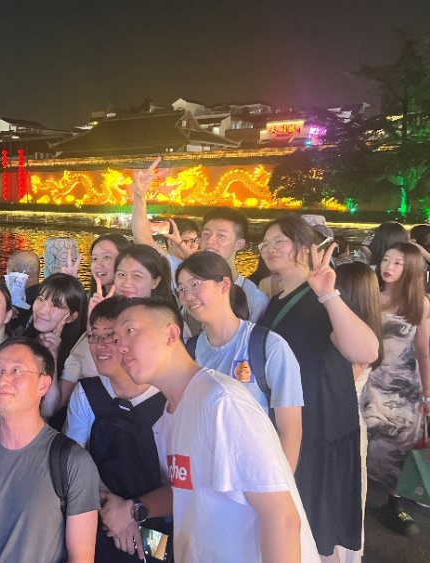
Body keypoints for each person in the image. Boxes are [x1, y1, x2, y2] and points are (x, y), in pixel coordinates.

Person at [107, 298, 319, 562]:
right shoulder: (168, 418)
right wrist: (134, 510)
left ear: (171, 334)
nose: (120, 347)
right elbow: (189, 492)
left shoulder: (222, 402)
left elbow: (282, 518)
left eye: (130, 331)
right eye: (116, 339)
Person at [256, 215, 379, 559]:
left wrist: (328, 293)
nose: (269, 249)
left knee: (312, 525)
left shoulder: (322, 295)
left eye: (279, 241)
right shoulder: (276, 297)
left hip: (320, 424)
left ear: (305, 247)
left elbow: (366, 351)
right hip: (292, 421)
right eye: (264, 243)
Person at [0, 338, 100, 563]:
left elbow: (81, 557)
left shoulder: (72, 461)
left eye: (16, 370)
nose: (2, 379)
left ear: (43, 385)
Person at [176, 251, 304, 472]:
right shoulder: (190, 351)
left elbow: (291, 432)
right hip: (206, 473)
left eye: (195, 285)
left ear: (224, 285)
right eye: (181, 289)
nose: (188, 296)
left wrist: (283, 486)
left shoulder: (268, 346)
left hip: (257, 475)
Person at [64, 297, 169, 562]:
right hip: (101, 512)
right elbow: (74, 462)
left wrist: (132, 513)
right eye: (93, 336)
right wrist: (114, 508)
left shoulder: (168, 398)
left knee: (161, 552)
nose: (99, 345)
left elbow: (186, 487)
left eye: (110, 336)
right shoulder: (87, 392)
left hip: (157, 518)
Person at [362, 242, 430, 536]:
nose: (388, 267)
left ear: (412, 268)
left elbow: (424, 350)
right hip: (369, 382)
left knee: (399, 446)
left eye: (398, 263)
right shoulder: (369, 295)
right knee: (364, 441)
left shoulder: (420, 303)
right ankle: (357, 495)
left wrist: (427, 394)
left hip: (403, 388)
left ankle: (394, 502)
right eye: (386, 259)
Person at [56, 244, 173, 414]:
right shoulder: (99, 323)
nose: (126, 283)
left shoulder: (168, 326)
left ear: (156, 281)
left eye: (137, 276)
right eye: (121, 274)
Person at [334, 261, 384, 562]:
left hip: (342, 428)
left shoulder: (352, 339)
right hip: (350, 424)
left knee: (341, 499)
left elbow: (339, 386)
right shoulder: (367, 328)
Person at [24, 273, 88, 418]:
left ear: (71, 317)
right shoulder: (26, 335)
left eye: (55, 305)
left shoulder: (74, 356)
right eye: (41, 299)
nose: (42, 310)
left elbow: (49, 410)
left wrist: (52, 354)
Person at [130, 157, 200, 284]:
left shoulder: (202, 267)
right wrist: (139, 196)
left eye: (195, 241)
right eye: (188, 241)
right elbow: (142, 237)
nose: (194, 245)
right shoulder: (167, 263)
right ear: (171, 242)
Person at [199, 207, 269, 322]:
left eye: (221, 235)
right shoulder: (189, 288)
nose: (210, 240)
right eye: (206, 233)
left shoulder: (254, 300)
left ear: (239, 244)